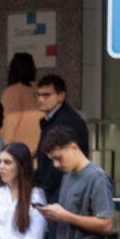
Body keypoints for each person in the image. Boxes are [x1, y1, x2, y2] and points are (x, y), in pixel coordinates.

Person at [37, 126, 114, 239]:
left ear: (74, 147)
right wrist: (53, 217)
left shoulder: (97, 178)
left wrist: (66, 216)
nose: (56, 164)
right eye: (52, 159)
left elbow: (106, 224)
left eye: (59, 158)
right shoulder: (68, 175)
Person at [34, 74, 89, 205]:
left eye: (46, 95)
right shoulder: (53, 119)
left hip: (62, 189)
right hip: (59, 187)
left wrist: (45, 186)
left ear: (61, 96)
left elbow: (60, 159)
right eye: (38, 95)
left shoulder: (65, 121)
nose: (40, 99)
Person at [0, 52, 43, 152]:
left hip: (19, 153)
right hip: (38, 150)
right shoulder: (39, 89)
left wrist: (4, 151)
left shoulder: (13, 91)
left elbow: (9, 124)